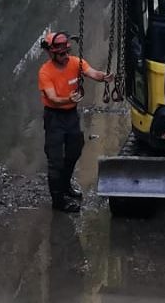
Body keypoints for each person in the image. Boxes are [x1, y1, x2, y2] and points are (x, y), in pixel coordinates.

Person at [37, 31, 111, 212]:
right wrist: (68, 99)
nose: (65, 56)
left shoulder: (76, 63)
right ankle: (58, 202)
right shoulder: (45, 72)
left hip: (71, 115)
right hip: (54, 117)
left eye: (66, 52)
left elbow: (91, 72)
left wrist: (104, 76)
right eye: (60, 53)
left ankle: (65, 185)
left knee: (74, 150)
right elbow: (53, 98)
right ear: (51, 53)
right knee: (55, 161)